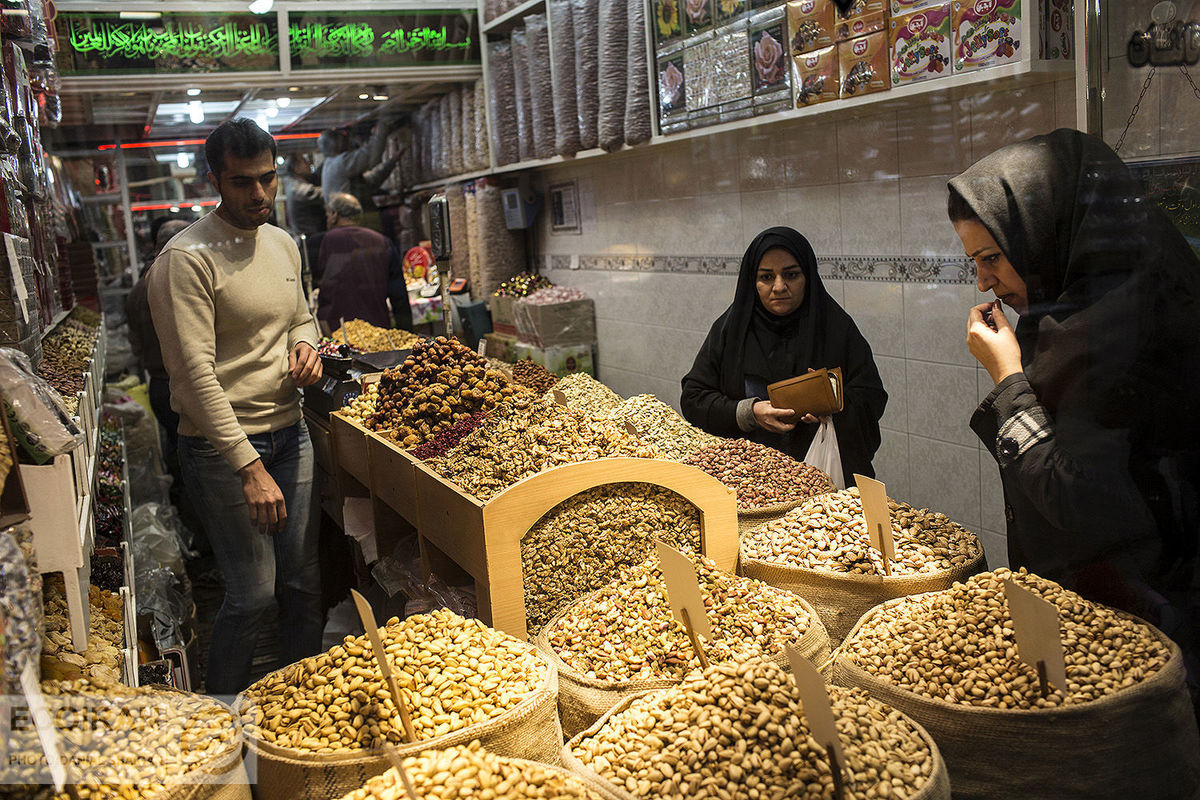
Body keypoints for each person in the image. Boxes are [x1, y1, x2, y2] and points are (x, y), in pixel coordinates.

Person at [951, 129, 1200, 688]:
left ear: (1044, 229)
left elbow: (1077, 499)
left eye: (992, 257)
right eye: (974, 261)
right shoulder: (1082, 298)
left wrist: (1008, 377)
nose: (984, 279)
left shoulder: (1120, 327)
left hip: (1149, 614)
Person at [147, 118, 325, 696]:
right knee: (253, 596)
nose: (259, 195)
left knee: (302, 583)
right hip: (223, 452)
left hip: (290, 434)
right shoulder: (187, 259)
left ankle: (307, 704)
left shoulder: (281, 242)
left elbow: (301, 313)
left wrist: (307, 342)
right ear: (214, 180)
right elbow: (193, 375)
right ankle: (219, 716)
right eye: (242, 182)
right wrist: (248, 467)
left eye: (268, 179)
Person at [681, 226, 887, 479]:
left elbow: (872, 397)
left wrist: (832, 402)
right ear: (751, 282)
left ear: (808, 277)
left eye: (791, 275)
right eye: (766, 277)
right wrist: (751, 413)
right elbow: (694, 399)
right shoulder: (731, 330)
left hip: (822, 488)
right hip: (746, 482)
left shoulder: (835, 329)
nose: (779, 287)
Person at [315, 192, 413, 333]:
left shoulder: (324, 240)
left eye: (327, 215)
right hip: (378, 329)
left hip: (338, 333)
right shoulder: (382, 241)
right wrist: (406, 332)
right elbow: (399, 295)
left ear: (334, 214)